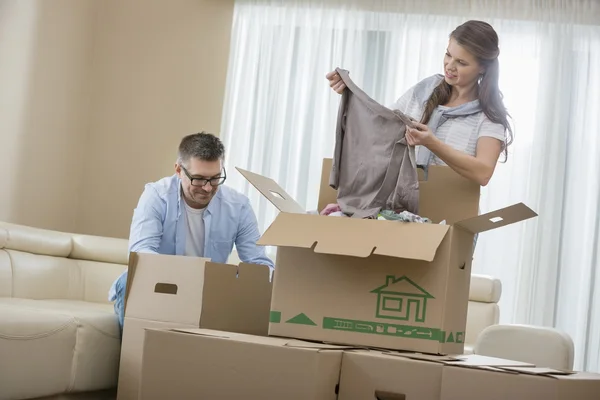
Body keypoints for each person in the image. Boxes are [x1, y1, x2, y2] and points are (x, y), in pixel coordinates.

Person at [108, 132, 274, 334]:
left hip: (208, 292)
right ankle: (137, 361)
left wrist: (245, 281)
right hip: (161, 286)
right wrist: (185, 279)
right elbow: (141, 254)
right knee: (128, 282)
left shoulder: (238, 206)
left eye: (215, 178)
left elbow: (259, 263)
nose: (207, 187)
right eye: (198, 179)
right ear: (178, 170)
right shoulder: (156, 196)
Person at [326, 20, 513, 186]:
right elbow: (380, 124)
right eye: (448, 55)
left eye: (462, 63)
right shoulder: (425, 89)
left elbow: (483, 173)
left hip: (453, 213)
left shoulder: (489, 116)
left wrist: (433, 143)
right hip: (403, 210)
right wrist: (350, 92)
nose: (449, 65)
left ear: (482, 68)